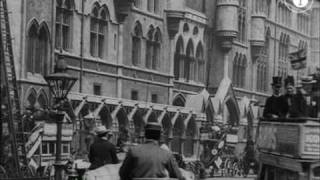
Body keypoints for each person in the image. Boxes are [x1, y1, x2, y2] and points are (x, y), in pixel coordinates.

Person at [119, 122, 185, 180]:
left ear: (145, 135)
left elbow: (123, 173)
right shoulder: (166, 154)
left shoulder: (133, 151)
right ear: (159, 136)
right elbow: (178, 176)